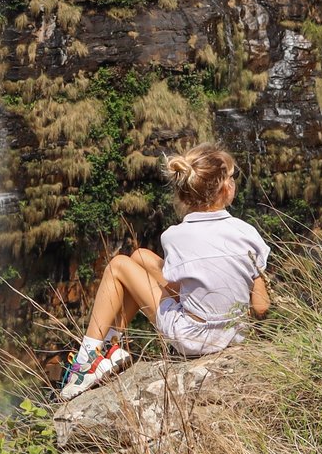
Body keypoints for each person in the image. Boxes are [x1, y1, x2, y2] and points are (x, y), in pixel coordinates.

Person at [58, 145, 272, 400]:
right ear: (227, 190)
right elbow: (260, 307)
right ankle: (110, 347)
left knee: (118, 267)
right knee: (140, 257)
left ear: (183, 196)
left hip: (193, 338)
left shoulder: (175, 237)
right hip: (232, 335)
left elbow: (176, 290)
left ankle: (85, 361)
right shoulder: (247, 232)